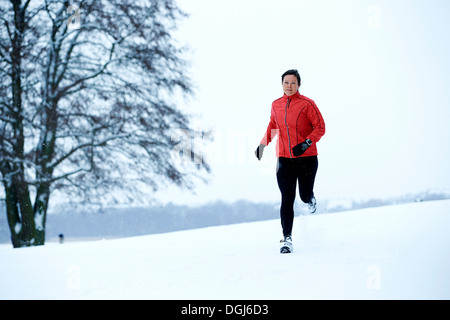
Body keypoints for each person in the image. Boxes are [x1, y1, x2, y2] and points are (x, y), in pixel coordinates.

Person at [255, 69, 325, 254]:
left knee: (303, 195)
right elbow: (273, 126)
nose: (289, 86)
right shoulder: (276, 105)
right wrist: (263, 145)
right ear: (282, 84)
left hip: (307, 158)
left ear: (299, 85)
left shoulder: (308, 104)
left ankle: (310, 199)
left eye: (293, 83)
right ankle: (287, 239)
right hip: (284, 160)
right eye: (286, 82)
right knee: (287, 199)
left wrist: (306, 144)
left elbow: (320, 127)